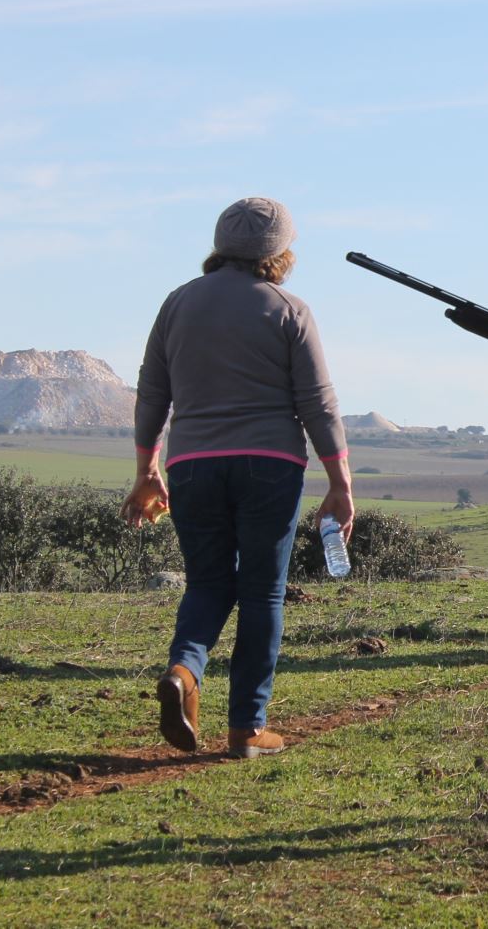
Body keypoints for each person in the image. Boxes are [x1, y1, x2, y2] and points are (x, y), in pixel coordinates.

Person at [122, 197, 353, 759]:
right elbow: (317, 404)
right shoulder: (288, 308)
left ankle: (185, 672)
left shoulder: (178, 304)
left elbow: (154, 390)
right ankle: (247, 728)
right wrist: (340, 484)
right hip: (270, 466)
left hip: (192, 465)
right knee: (262, 592)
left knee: (206, 584)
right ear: (282, 253)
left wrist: (147, 469)